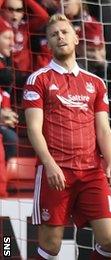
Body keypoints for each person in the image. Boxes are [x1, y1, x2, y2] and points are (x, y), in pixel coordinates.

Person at [23, 14, 111, 259]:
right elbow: (34, 128)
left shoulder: (96, 83)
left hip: (92, 172)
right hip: (56, 171)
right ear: (49, 43)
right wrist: (49, 164)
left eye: (65, 32)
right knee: (51, 245)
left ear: (76, 38)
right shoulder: (38, 80)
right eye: (54, 35)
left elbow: (103, 128)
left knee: (110, 240)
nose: (60, 37)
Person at [1, 0, 48, 73]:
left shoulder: (25, 27)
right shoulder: (1, 27)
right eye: (10, 9)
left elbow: (44, 17)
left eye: (19, 10)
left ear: (23, 13)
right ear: (2, 11)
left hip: (25, 75)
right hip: (6, 75)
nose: (14, 14)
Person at [0, 17, 18, 163]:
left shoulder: (6, 63)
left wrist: (6, 112)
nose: (12, 43)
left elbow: (5, 93)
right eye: (7, 38)